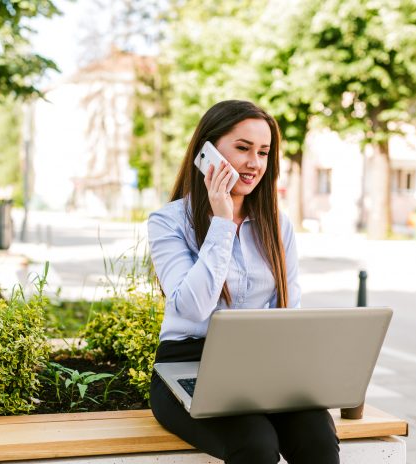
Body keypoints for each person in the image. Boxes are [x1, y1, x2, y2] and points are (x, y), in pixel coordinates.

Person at [147, 100, 340, 464]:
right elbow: (192, 307)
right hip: (186, 366)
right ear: (208, 151)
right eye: (242, 148)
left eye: (264, 152)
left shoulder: (277, 224)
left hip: (261, 366)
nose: (255, 163)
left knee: (317, 433)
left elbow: (289, 310)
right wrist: (221, 222)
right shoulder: (168, 222)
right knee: (254, 442)